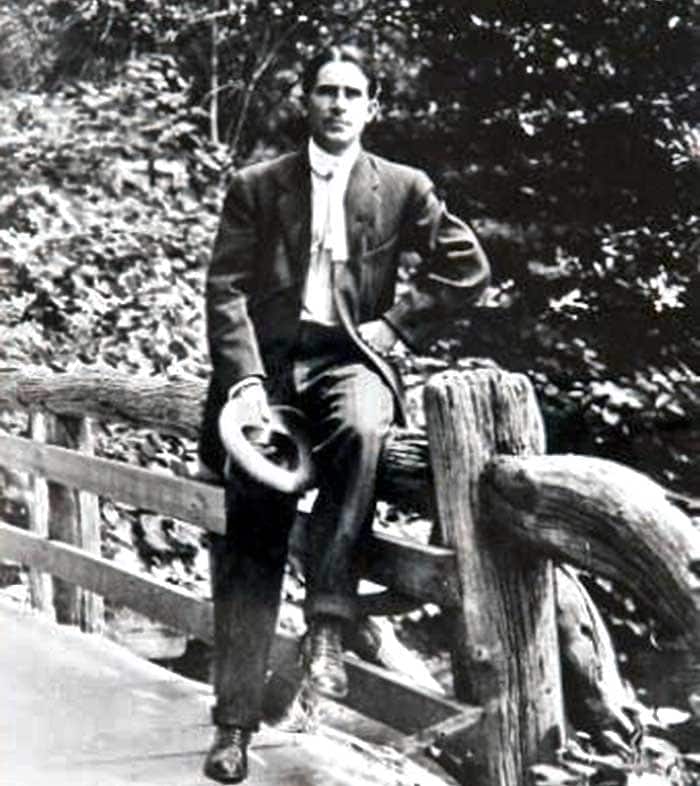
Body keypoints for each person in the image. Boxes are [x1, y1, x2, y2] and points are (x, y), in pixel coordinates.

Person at [198, 43, 491, 784]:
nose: (337, 103)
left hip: (350, 363)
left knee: (363, 433)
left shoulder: (402, 186)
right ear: (307, 101)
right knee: (254, 531)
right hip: (268, 372)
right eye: (325, 90)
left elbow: (469, 268)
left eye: (351, 92)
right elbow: (226, 289)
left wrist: (398, 328)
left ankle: (327, 625)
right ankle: (233, 727)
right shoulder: (259, 186)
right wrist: (243, 381)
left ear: (371, 106)